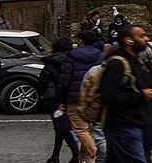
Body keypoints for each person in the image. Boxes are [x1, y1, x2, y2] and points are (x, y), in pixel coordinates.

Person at [104, 25, 152, 163]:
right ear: (129, 41)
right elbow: (108, 96)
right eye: (142, 36)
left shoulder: (137, 63)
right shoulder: (116, 64)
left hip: (137, 125)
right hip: (123, 126)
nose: (147, 39)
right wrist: (141, 95)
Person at [65, 25, 109, 162]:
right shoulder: (101, 56)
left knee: (81, 130)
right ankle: (84, 159)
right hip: (94, 96)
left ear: (81, 41)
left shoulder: (72, 56)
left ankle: (94, 154)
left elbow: (65, 78)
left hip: (75, 96)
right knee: (92, 129)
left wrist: (61, 98)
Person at [41, 35, 84, 163]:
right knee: (60, 126)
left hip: (55, 98)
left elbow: (42, 80)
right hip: (70, 97)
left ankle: (76, 154)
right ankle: (55, 155)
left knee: (61, 127)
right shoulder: (72, 61)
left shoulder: (50, 62)